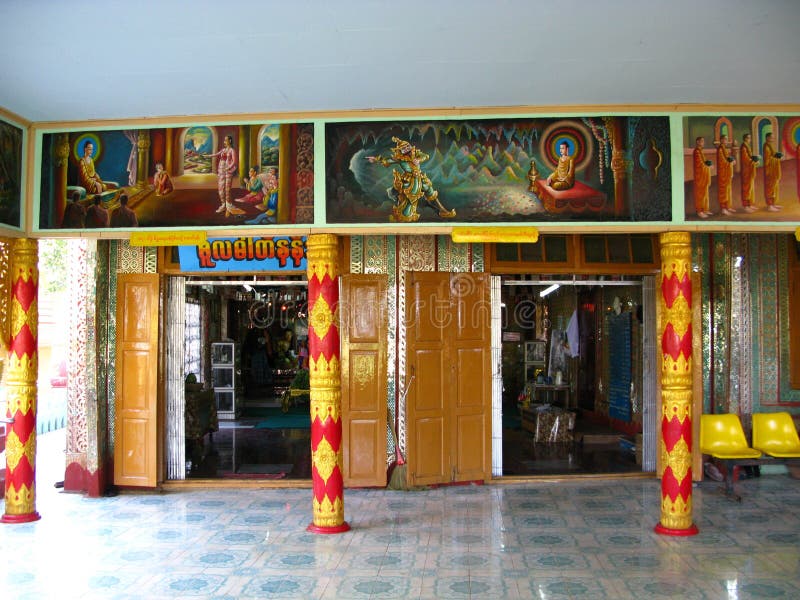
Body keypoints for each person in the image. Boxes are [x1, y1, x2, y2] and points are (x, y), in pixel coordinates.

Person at [366, 136, 456, 222]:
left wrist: (419, 160)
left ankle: (442, 211)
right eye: (403, 148)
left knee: (430, 191)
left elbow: (425, 156)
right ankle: (406, 215)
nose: (406, 149)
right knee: (411, 196)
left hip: (420, 177)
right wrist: (376, 159)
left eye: (407, 146)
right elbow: (387, 160)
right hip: (409, 179)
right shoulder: (400, 158)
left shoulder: (415, 153)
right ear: (400, 150)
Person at [203, 135, 244, 217]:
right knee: (221, 188)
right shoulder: (223, 150)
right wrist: (207, 156)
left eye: (226, 140)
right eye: (224, 140)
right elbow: (215, 154)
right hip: (221, 171)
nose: (224, 141)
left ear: (230, 141)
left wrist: (228, 168)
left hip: (228, 172)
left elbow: (234, 162)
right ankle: (223, 205)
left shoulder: (232, 150)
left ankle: (228, 206)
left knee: (227, 189)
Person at [692, 137, 713, 218]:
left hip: (703, 175)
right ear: (697, 142)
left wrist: (709, 165)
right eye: (701, 141)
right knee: (700, 193)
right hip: (700, 176)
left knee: (705, 193)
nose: (703, 142)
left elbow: (704, 162)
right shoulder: (697, 151)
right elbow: (699, 164)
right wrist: (707, 167)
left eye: (703, 141)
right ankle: (699, 211)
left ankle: (705, 209)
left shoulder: (701, 151)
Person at [762, 132, 783, 212]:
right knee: (770, 187)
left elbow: (772, 155)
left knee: (774, 187)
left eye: (773, 138)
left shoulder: (770, 146)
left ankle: (773, 204)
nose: (772, 139)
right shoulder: (766, 147)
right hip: (769, 171)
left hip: (773, 170)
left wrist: (777, 155)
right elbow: (768, 160)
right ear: (767, 138)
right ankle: (769, 205)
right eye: (771, 138)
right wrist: (776, 158)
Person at [716, 135, 736, 215]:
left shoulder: (724, 148)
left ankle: (727, 206)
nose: (726, 141)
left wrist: (732, 160)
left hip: (727, 172)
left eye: (727, 139)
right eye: (725, 139)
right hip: (723, 173)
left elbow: (727, 158)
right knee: (723, 190)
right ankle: (723, 208)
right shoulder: (720, 149)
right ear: (721, 140)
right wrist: (729, 162)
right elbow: (722, 161)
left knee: (727, 189)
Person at [739, 133, 759, 212]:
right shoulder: (743, 147)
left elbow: (749, 157)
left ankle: (750, 204)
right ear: (746, 139)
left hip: (749, 169)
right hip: (746, 170)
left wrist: (755, 159)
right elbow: (745, 159)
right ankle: (745, 206)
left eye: (750, 138)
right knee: (746, 187)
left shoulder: (747, 146)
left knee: (750, 187)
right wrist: (753, 161)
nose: (750, 140)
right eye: (749, 138)